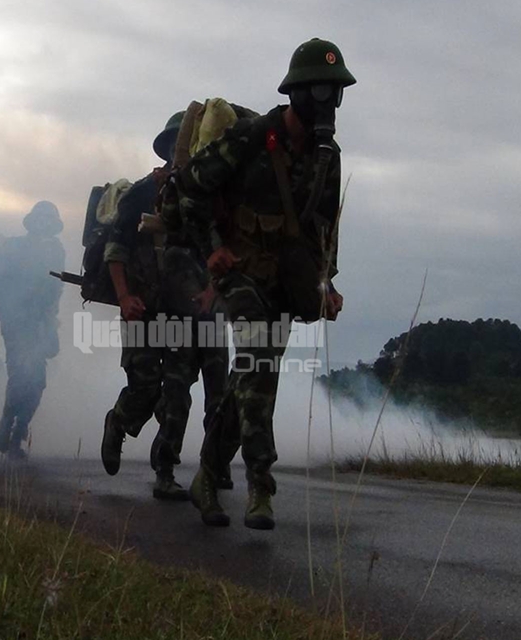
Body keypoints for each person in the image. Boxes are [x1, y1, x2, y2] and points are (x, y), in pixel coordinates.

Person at [179, 38, 354, 529]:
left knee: (249, 380)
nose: (328, 102)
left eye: (335, 91)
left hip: (287, 280)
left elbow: (326, 224)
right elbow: (191, 186)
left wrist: (327, 283)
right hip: (238, 273)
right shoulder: (253, 137)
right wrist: (211, 243)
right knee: (256, 363)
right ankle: (260, 484)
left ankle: (208, 477)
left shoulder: (328, 156)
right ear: (296, 92)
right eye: (320, 90)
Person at [99, 112, 218, 500]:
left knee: (177, 393)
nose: (181, 154)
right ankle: (117, 422)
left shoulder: (205, 197)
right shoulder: (140, 193)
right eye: (176, 147)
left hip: (184, 311)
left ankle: (165, 470)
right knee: (146, 387)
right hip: (144, 308)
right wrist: (124, 297)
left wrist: (211, 292)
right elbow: (115, 249)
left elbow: (219, 249)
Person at [0, 201, 66, 459]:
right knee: (20, 373)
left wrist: (51, 322)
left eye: (47, 220)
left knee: (37, 381)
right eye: (39, 219)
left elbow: (55, 288)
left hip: (42, 321)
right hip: (16, 319)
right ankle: (8, 418)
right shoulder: (14, 247)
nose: (43, 224)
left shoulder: (56, 250)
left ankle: (20, 431)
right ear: (32, 222)